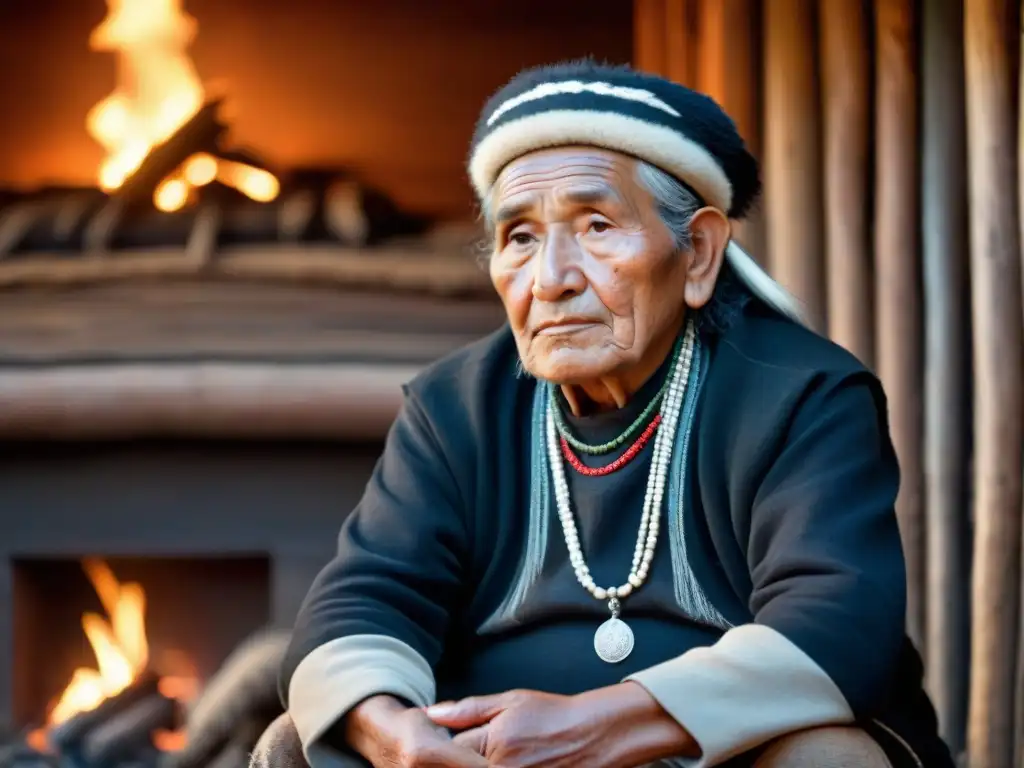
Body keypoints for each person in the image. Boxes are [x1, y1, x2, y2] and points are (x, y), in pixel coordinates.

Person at [275, 61, 954, 767]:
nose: (551, 279)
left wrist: (597, 726)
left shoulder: (801, 395)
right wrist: (394, 734)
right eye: (520, 238)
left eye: (597, 226)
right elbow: (362, 598)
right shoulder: (454, 410)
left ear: (698, 252)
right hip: (493, 759)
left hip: (726, 756)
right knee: (307, 741)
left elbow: (839, 623)